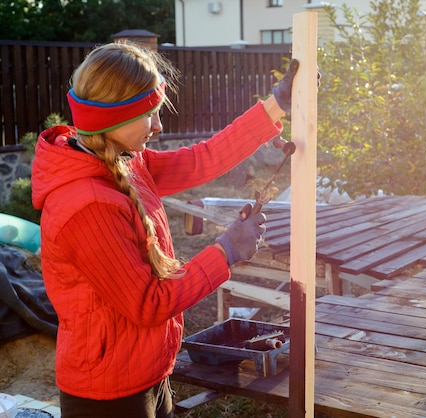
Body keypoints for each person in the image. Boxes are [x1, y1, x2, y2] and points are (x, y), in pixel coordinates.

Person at [30, 41, 299, 418]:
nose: (159, 126)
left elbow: (202, 159)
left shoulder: (124, 160)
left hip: (147, 373)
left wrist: (275, 105)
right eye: (148, 115)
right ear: (113, 118)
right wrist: (225, 251)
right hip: (110, 396)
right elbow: (148, 302)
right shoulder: (85, 205)